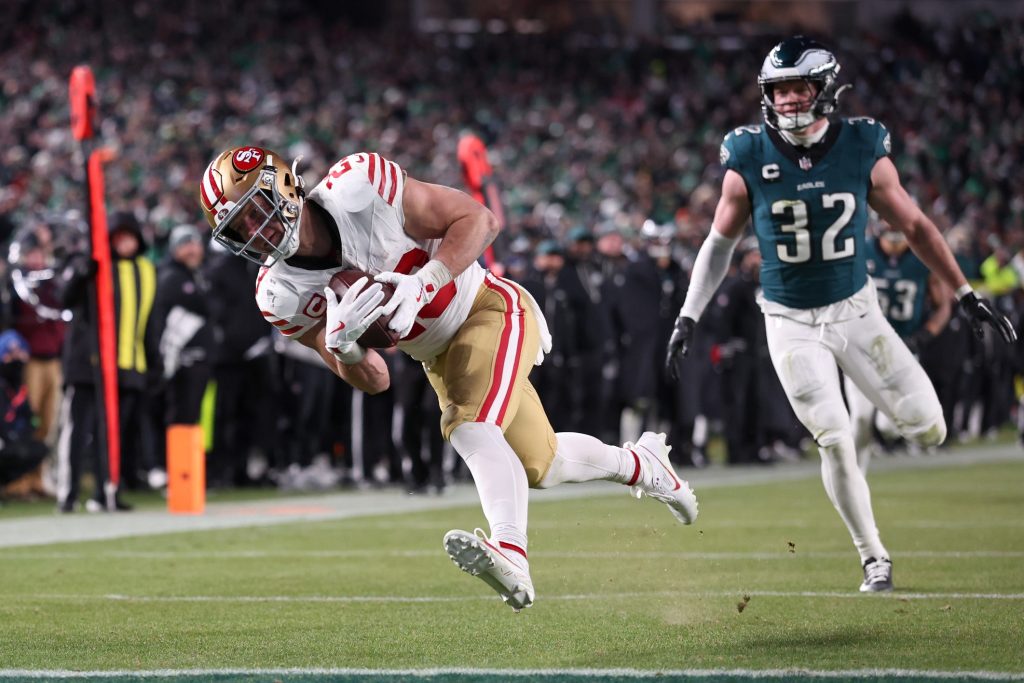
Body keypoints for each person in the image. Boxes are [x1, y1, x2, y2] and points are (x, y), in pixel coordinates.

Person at [198, 146, 699, 611]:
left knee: (469, 427)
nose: (254, 232)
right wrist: (344, 345)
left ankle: (510, 551)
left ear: (284, 186)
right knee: (542, 465)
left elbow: (479, 219)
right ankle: (643, 464)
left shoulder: (359, 186)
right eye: (239, 228)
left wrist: (427, 280)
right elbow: (376, 381)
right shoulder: (279, 294)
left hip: (485, 307)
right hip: (437, 356)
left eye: (255, 210)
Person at [664, 36, 1016, 593]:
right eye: (778, 91)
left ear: (825, 88)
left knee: (930, 428)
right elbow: (718, 243)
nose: (788, 102)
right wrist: (688, 315)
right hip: (788, 320)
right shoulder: (748, 154)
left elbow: (918, 228)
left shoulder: (861, 145)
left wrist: (965, 291)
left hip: (856, 311)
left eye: (799, 88)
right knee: (831, 437)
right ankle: (873, 554)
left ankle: (872, 417)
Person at [846, 219, 952, 469]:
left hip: (901, 349)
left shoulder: (921, 257)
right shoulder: (860, 250)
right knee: (860, 418)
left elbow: (943, 306)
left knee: (889, 426)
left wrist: (926, 334)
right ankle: (855, 479)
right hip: (861, 346)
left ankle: (888, 432)